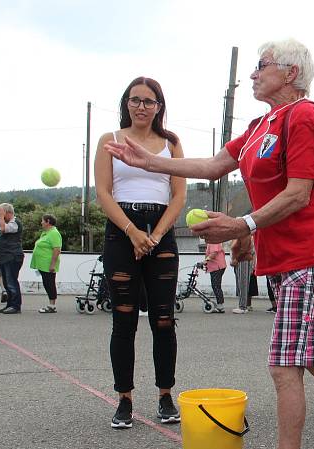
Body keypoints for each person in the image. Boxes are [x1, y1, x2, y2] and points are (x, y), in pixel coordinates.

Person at [105, 39, 314, 449]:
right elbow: (213, 165)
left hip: (310, 255)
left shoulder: (307, 117)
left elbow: (298, 193)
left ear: (290, 73)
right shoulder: (260, 125)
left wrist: (242, 224)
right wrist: (148, 160)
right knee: (310, 353)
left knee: (284, 362)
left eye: (261, 66)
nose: (252, 74)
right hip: (290, 258)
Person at [94, 76, 186, 429]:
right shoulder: (110, 140)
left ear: (159, 106)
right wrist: (132, 232)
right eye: (135, 100)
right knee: (124, 319)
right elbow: (103, 192)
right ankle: (124, 400)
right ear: (126, 103)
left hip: (160, 229)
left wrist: (157, 233)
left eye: (149, 101)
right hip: (122, 230)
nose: (141, 107)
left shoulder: (171, 142)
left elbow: (178, 195)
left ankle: (165, 395)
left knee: (163, 319)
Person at [30, 214, 62, 313]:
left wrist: (52, 264)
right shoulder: (46, 233)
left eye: (43, 221)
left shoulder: (54, 233)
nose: (41, 222)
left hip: (48, 264)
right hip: (43, 264)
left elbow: (57, 249)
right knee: (47, 283)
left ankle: (52, 306)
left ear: (48, 221)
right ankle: (51, 304)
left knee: (49, 283)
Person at [0, 203, 24, 314]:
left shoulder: (15, 223)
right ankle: (10, 304)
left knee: (11, 281)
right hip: (5, 257)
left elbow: (3, 229)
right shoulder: (10, 223)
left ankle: (16, 306)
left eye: (1, 213)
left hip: (12, 256)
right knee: (7, 282)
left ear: (8, 213)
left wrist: (1, 217)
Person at [204, 242, 227, 313]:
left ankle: (220, 305)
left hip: (217, 266)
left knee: (216, 285)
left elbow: (214, 253)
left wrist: (205, 260)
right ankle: (220, 304)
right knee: (216, 285)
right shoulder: (212, 240)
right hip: (217, 266)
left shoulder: (213, 240)